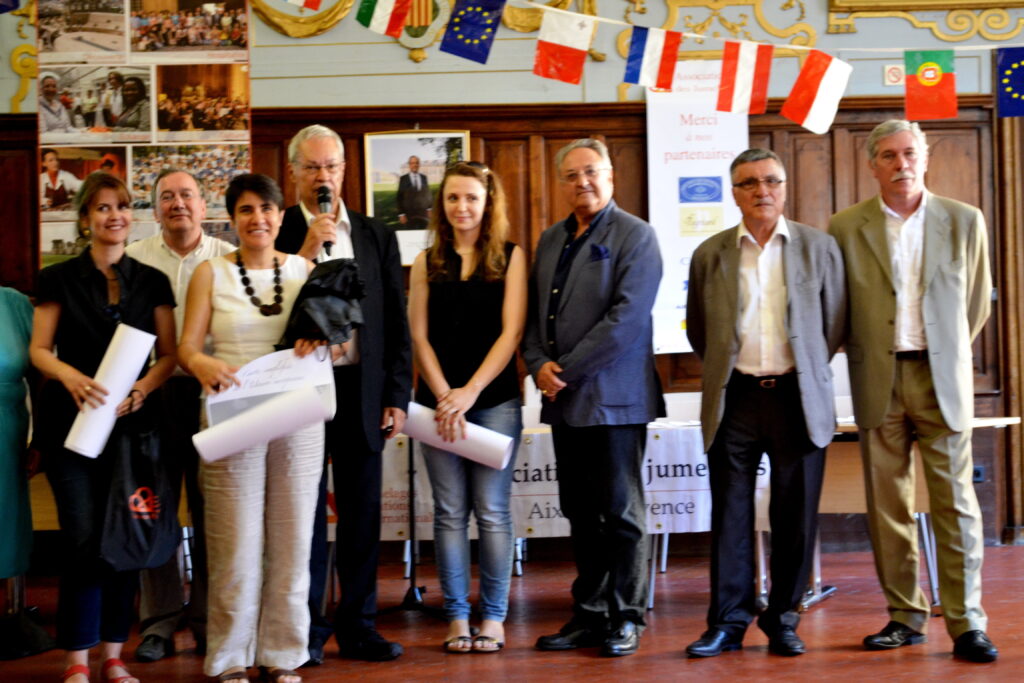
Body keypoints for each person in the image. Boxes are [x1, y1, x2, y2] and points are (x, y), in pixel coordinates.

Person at [829, 120, 997, 663]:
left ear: (925, 159)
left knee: (956, 504)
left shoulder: (964, 220)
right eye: (888, 155)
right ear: (872, 165)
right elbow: (838, 305)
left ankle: (967, 622)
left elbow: (976, 303)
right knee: (887, 507)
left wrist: (944, 351)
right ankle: (905, 615)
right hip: (877, 379)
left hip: (940, 378)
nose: (901, 163)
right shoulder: (845, 226)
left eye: (909, 153)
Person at [684, 148, 847, 658]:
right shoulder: (710, 254)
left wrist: (804, 367)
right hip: (735, 397)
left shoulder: (819, 248)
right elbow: (701, 331)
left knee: (795, 516)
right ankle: (727, 623)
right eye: (749, 183)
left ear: (784, 186)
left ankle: (783, 620)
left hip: (798, 396)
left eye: (771, 180)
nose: (762, 191)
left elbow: (834, 324)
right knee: (730, 515)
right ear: (734, 193)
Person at [29, 171, 177, 683]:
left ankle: (114, 655)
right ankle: (77, 660)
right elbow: (39, 350)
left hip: (133, 433)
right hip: (71, 429)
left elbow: (170, 356)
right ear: (85, 219)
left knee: (123, 539)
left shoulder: (153, 281)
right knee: (82, 538)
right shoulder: (57, 278)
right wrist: (70, 376)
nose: (114, 215)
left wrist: (142, 389)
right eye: (102, 207)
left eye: (122, 206)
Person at [275, 124, 412, 664]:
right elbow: (270, 310)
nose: (323, 177)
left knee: (362, 515)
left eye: (331, 166)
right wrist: (307, 249)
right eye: (312, 167)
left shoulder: (376, 235)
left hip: (361, 389)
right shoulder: (279, 229)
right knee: (302, 517)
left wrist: (396, 394)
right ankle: (303, 630)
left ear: (345, 171)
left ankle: (359, 626)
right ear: (293, 173)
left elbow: (395, 319)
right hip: (300, 388)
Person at [178, 173, 322, 683]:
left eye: (266, 208)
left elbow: (342, 345)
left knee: (292, 541)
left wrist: (322, 342)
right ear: (232, 218)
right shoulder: (210, 272)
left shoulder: (306, 271)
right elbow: (186, 347)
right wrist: (202, 364)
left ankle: (283, 654)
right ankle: (230, 658)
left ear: (281, 216)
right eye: (246, 209)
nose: (257, 218)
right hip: (232, 413)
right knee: (233, 545)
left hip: (297, 417)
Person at [523, 138, 663, 657]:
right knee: (579, 512)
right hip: (564, 401)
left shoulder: (636, 235)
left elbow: (626, 320)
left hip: (615, 400)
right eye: (572, 174)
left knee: (621, 514)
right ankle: (590, 613)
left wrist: (565, 371)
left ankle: (626, 616)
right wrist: (537, 363)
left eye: (592, 171)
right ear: (561, 183)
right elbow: (534, 316)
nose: (582, 181)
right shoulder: (551, 239)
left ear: (610, 176)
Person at [408, 162, 526, 653]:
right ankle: (457, 615)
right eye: (453, 198)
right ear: (442, 205)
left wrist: (470, 392)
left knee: (493, 512)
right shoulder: (425, 261)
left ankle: (493, 618)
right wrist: (444, 396)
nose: (462, 207)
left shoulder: (511, 257)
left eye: (471, 198)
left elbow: (511, 333)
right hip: (437, 405)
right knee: (450, 513)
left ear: (487, 203)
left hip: (494, 401)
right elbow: (418, 336)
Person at [126, 169, 234, 663]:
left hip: (214, 395)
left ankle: (211, 619)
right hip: (154, 394)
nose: (178, 204)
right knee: (156, 509)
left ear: (204, 205)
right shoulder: (135, 259)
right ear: (155, 210)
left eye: (187, 195)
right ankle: (159, 621)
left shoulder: (227, 258)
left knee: (215, 512)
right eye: (167, 197)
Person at [0, 287, 34, 582]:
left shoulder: (14, 304)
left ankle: (13, 605)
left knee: (6, 529)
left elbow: (41, 373)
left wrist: (42, 439)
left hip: (7, 432)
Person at [396, 155, 432, 229]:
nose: (414, 165)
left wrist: (429, 209)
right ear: (409, 165)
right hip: (409, 213)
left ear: (419, 164)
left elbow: (427, 195)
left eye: (416, 163)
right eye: (412, 163)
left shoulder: (423, 178)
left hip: (422, 213)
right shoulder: (403, 179)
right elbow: (400, 197)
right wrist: (401, 214)